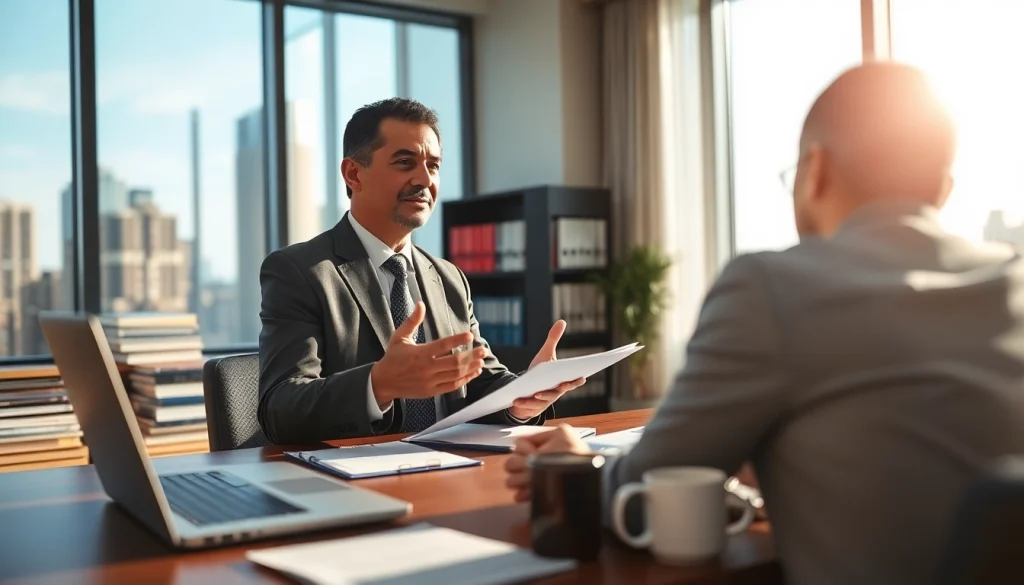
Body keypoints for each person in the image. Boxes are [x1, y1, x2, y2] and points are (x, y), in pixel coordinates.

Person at [504, 62, 1024, 585]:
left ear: (814, 170)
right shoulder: (1014, 279)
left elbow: (644, 495)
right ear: (944, 188)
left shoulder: (772, 286)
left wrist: (580, 465)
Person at [258, 98, 584, 443]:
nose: (424, 179)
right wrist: (378, 385)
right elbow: (281, 409)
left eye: (434, 165)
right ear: (354, 174)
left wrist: (524, 394)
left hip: (454, 473)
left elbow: (479, 382)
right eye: (405, 162)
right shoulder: (299, 271)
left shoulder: (448, 278)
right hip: (355, 483)